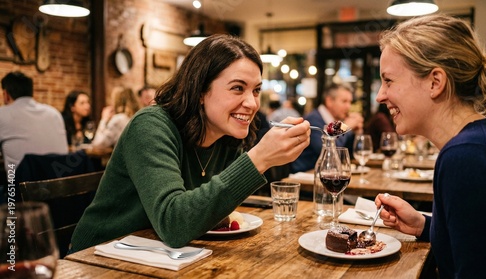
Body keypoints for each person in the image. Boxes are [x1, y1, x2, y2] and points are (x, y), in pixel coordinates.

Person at [70, 34, 310, 252]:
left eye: (256, 90)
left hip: (163, 256)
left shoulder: (226, 136)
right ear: (200, 92)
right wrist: (260, 158)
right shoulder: (151, 126)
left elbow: (206, 210)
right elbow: (174, 224)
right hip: (99, 257)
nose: (252, 103)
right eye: (238, 88)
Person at [372, 15, 486, 278]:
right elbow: (482, 242)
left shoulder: (466, 156)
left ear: (435, 82)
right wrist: (423, 224)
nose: (380, 95)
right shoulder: (478, 142)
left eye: (389, 81)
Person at [0, 71, 68, 172]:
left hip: (18, 186)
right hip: (59, 185)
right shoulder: (54, 113)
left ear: (6, 95)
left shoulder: (2, 113)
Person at [291, 82, 364, 173]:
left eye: (350, 102)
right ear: (329, 101)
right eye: (344, 101)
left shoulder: (336, 122)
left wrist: (357, 133)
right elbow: (328, 152)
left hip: (326, 174)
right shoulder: (313, 120)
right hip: (304, 178)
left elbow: (347, 155)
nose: (348, 106)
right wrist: (344, 127)